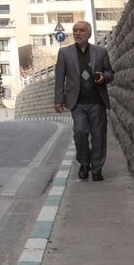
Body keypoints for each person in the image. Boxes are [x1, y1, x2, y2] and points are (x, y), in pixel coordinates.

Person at [54, 21, 115, 180]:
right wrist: (58, 100)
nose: (77, 33)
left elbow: (110, 72)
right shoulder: (65, 53)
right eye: (75, 31)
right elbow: (60, 78)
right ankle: (84, 162)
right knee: (80, 132)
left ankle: (96, 169)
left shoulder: (100, 52)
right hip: (77, 103)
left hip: (97, 101)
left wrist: (104, 77)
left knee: (98, 136)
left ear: (88, 33)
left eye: (81, 30)